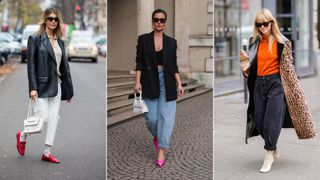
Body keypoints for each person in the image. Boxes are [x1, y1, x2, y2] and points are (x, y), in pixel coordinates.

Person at [243, 8, 316, 173]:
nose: (263, 27)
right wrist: (245, 68)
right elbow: (250, 67)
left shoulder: (283, 43)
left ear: (271, 23)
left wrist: (292, 89)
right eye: (259, 24)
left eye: (265, 23)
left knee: (272, 120)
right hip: (259, 84)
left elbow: (289, 68)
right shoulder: (253, 42)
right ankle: (273, 146)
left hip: (276, 83)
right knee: (260, 122)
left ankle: (268, 153)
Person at [16, 7, 74, 163]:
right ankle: (22, 135)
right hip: (41, 86)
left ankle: (47, 151)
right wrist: (33, 88)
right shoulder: (35, 39)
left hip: (58, 85)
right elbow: (31, 66)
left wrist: (69, 91)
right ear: (45, 20)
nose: (53, 21)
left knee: (54, 118)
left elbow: (65, 68)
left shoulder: (60, 41)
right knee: (43, 119)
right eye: (50, 18)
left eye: (56, 19)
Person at [134, 8, 184, 167]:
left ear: (165, 23)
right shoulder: (143, 40)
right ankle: (157, 136)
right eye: (156, 20)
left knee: (166, 117)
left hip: (167, 80)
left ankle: (162, 149)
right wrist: (137, 82)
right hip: (149, 80)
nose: (159, 23)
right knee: (151, 118)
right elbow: (139, 62)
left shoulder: (171, 42)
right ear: (152, 21)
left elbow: (174, 65)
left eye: (162, 20)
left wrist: (179, 82)